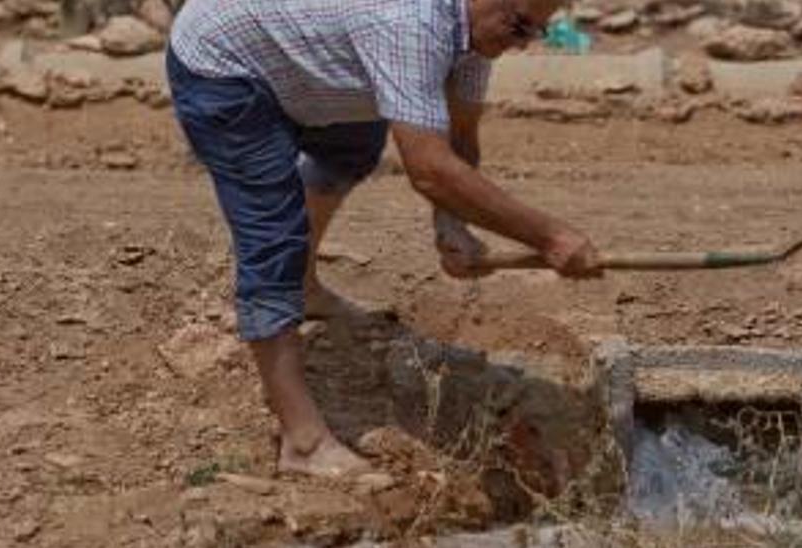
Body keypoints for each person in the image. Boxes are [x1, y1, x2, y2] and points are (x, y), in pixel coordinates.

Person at [166, 0, 601, 478]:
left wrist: (451, 225)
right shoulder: (408, 21)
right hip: (224, 63)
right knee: (274, 235)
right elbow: (430, 170)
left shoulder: (475, 34)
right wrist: (551, 237)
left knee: (352, 147)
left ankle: (304, 288)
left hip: (300, 59)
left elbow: (458, 135)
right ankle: (303, 442)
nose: (520, 44)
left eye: (534, 33)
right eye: (519, 26)